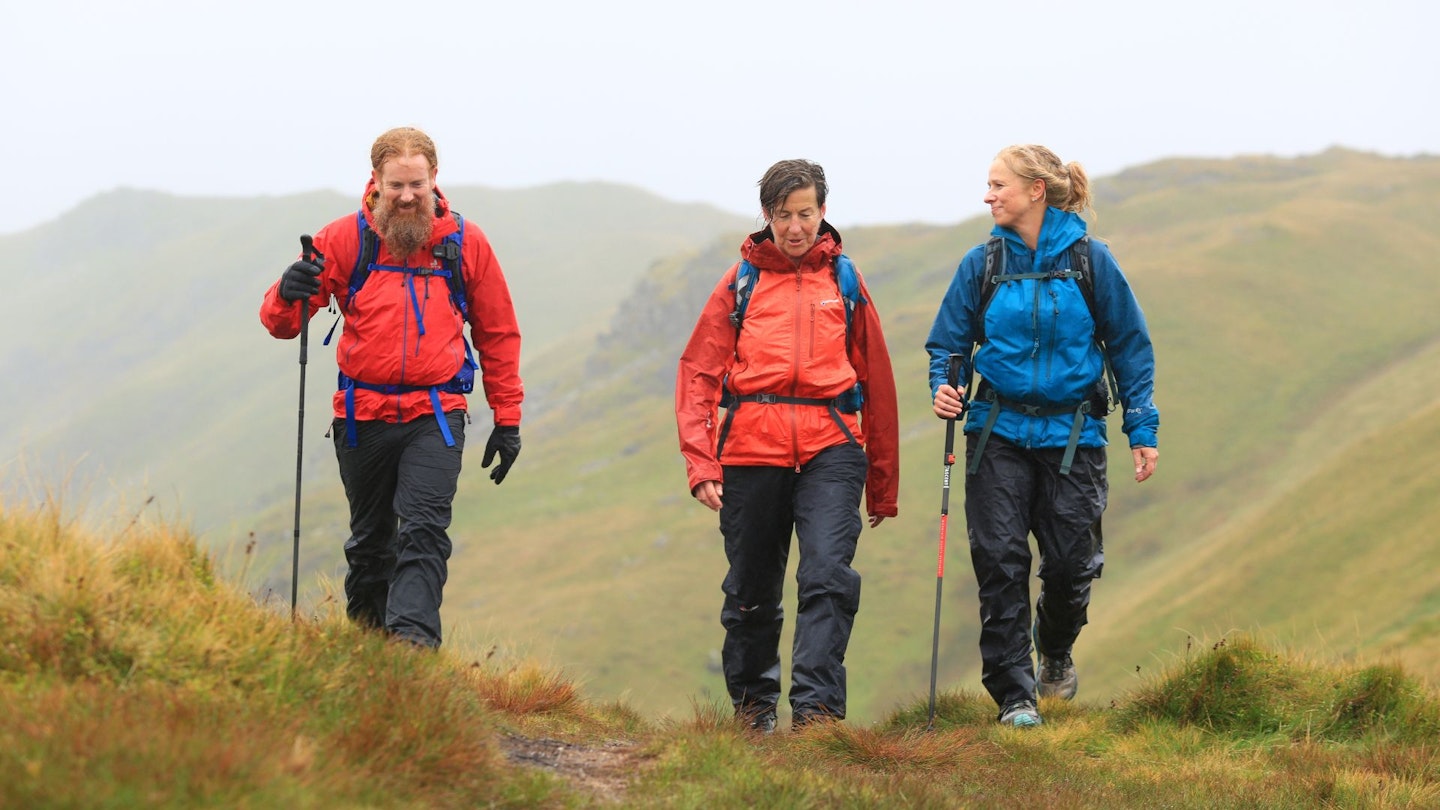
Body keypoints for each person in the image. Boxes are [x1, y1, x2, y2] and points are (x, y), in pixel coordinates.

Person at [260, 126, 524, 649]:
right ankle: (368, 651)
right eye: (396, 185)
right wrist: (286, 293)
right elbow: (284, 324)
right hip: (362, 416)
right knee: (371, 545)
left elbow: (497, 332)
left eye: (416, 185)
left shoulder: (464, 243)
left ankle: (412, 652)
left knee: (424, 531)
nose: (406, 197)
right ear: (376, 181)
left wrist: (508, 418)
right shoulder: (344, 238)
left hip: (436, 415)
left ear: (434, 179)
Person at [926, 144, 1159, 728]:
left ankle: (1054, 647)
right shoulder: (981, 264)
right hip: (995, 433)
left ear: (1036, 191)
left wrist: (1141, 427)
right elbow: (949, 343)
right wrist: (945, 385)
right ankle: (1016, 697)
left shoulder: (1091, 261)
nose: (988, 196)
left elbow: (1129, 345)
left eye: (998, 185)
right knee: (1000, 562)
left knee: (1071, 565)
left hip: (1074, 435)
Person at [675, 159, 899, 732]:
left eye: (805, 214)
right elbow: (699, 372)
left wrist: (882, 484)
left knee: (828, 578)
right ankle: (753, 714)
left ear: (823, 211)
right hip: (750, 449)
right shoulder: (740, 282)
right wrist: (701, 463)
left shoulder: (844, 280)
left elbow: (876, 379)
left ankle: (816, 717)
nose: (795, 228)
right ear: (766, 215)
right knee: (751, 591)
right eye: (782, 215)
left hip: (832, 448)